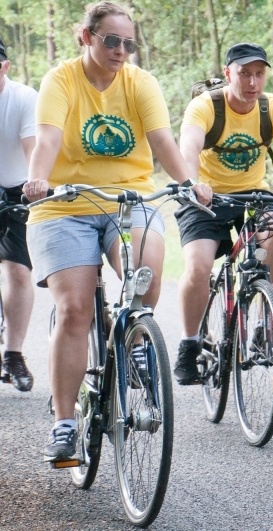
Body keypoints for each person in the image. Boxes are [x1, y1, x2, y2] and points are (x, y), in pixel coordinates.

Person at [23, 1, 211, 461]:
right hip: (63, 205)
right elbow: (47, 139)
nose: (122, 51)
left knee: (148, 268)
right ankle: (65, 424)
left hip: (128, 201)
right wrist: (37, 179)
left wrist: (187, 184)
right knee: (74, 310)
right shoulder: (61, 80)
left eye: (129, 43)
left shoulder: (140, 82)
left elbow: (162, 140)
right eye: (112, 41)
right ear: (86, 38)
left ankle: (137, 342)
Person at [174, 42, 273, 385]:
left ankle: (263, 325)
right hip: (205, 196)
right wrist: (192, 183)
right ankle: (189, 343)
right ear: (229, 74)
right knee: (198, 267)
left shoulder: (271, 108)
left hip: (253, 193)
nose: (253, 82)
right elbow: (189, 149)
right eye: (244, 74)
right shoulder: (205, 107)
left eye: (259, 74)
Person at [0, 37, 36, 392]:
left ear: (5, 67)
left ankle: (13, 354)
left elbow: (32, 147)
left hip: (17, 188)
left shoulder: (24, 97)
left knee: (19, 273)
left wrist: (38, 184)